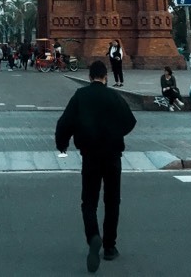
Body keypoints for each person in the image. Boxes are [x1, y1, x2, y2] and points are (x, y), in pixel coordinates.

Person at [55, 60, 136, 273]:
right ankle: (110, 247)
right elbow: (130, 121)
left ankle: (93, 236)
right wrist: (115, 133)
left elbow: (64, 123)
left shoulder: (81, 96)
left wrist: (62, 145)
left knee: (89, 201)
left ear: (90, 77)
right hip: (112, 156)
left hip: (90, 156)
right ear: (105, 77)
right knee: (112, 201)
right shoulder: (114, 96)